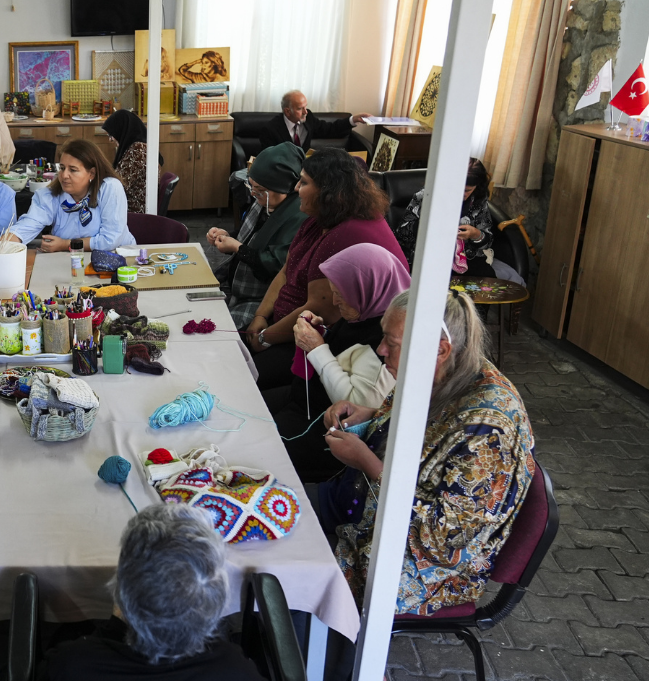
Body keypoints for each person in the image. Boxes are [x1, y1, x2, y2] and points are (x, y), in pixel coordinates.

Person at [321, 289, 534, 616]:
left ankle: (326, 642)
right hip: (364, 504)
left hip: (428, 568)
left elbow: (446, 539)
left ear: (440, 349)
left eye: (391, 343)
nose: (380, 350)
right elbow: (417, 423)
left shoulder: (490, 429)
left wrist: (366, 462)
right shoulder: (435, 369)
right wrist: (370, 415)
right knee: (278, 513)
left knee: (300, 581)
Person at [246, 149, 408, 391]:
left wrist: (265, 338)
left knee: (246, 377)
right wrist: (260, 316)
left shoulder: (345, 234)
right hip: (286, 327)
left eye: (304, 182)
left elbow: (322, 309)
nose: (296, 188)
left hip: (320, 338)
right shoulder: (319, 219)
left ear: (328, 191)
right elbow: (286, 270)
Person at [43, 504, 262, 681]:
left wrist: (111, 625)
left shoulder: (70, 665)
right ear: (217, 603)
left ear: (120, 596)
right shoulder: (236, 670)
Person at [266, 243, 410, 483]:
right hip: (308, 399)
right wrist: (323, 332)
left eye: (341, 294)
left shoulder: (387, 341)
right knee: (251, 406)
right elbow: (347, 352)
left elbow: (356, 405)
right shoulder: (366, 310)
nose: (334, 301)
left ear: (366, 290)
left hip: (327, 428)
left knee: (261, 448)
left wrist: (316, 348)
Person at [206, 142, 308, 328]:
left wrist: (237, 247)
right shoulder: (265, 201)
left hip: (261, 298)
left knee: (220, 329)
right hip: (233, 284)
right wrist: (226, 235)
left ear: (284, 188)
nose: (253, 194)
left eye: (260, 190)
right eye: (251, 186)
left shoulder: (297, 217)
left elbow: (275, 265)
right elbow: (251, 236)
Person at [5, 138, 136, 252]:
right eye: (62, 168)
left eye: (73, 170)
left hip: (119, 260)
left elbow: (110, 240)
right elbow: (27, 225)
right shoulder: (50, 195)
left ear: (91, 173)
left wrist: (66, 244)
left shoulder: (109, 188)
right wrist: (4, 244)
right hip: (72, 261)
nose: (64, 175)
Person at [395, 158, 496, 277]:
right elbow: (401, 233)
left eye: (467, 190)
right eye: (458, 188)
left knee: (488, 279)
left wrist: (475, 234)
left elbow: (487, 242)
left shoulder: (479, 200)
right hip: (430, 256)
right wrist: (427, 225)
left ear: (477, 186)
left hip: (465, 258)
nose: (461, 194)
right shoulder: (426, 196)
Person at [258, 90, 367, 153]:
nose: (305, 112)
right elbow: (269, 159)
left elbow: (330, 129)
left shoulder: (308, 118)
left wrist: (353, 120)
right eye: (300, 109)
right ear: (287, 111)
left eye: (305, 107)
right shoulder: (270, 129)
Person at [101, 110, 161, 214]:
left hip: (134, 212)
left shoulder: (138, 151)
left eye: (111, 134)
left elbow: (118, 185)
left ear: (122, 130)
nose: (110, 140)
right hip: (131, 207)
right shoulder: (138, 147)